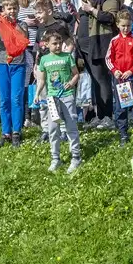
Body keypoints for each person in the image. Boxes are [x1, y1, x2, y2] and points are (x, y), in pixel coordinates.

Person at [0, 0, 29, 148]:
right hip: (2, 63)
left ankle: (16, 131)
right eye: (9, 8)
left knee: (16, 98)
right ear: (3, 9)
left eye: (14, 8)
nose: (12, 11)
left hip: (18, 63)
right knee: (4, 99)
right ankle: (6, 132)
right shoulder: (0, 23)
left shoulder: (22, 24)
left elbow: (24, 38)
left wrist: (13, 24)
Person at [36, 31, 82, 173]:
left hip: (67, 96)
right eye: (54, 43)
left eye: (59, 43)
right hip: (52, 99)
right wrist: (37, 94)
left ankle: (76, 157)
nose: (57, 46)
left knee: (71, 126)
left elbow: (76, 74)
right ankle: (55, 158)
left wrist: (71, 83)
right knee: (53, 129)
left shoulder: (67, 57)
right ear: (47, 44)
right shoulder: (44, 60)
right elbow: (41, 80)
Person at [81, 0, 119, 130]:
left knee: (103, 80)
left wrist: (91, 10)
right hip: (90, 44)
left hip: (102, 42)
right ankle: (100, 115)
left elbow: (110, 17)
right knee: (96, 80)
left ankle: (108, 116)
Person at [104, 10, 133, 144]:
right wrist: (115, 70)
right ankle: (123, 133)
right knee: (121, 106)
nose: (126, 29)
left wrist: (131, 71)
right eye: (123, 26)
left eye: (128, 26)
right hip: (120, 79)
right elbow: (108, 58)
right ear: (117, 25)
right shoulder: (114, 40)